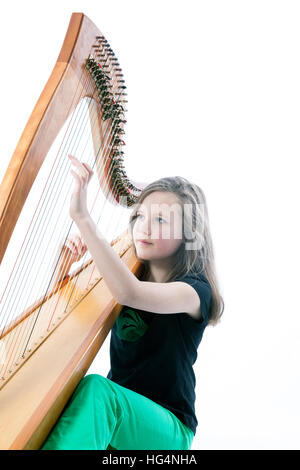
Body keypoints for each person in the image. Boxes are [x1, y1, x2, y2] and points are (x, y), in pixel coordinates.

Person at [40, 154, 224, 450]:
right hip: (118, 418)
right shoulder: (126, 273)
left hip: (168, 429)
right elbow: (62, 316)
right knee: (57, 399)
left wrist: (83, 218)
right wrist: (62, 267)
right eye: (140, 216)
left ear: (189, 232)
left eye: (161, 219)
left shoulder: (194, 292)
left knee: (97, 391)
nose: (145, 227)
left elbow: (131, 294)